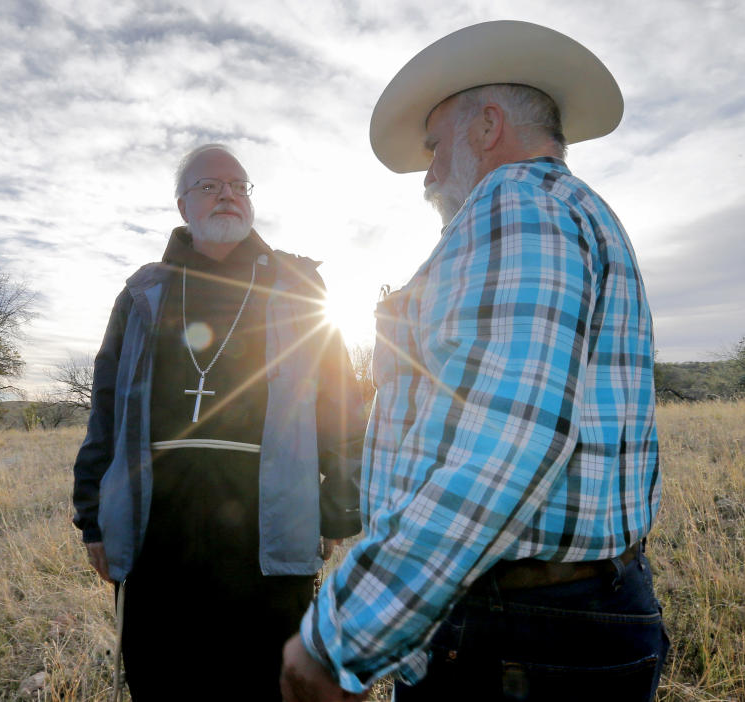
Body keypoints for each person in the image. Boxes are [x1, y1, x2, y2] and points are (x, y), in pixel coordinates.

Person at [281, 20, 668, 702]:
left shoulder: (514, 201)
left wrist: (338, 638)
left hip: (516, 634)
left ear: (488, 126)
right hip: (571, 617)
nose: (428, 173)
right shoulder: (580, 211)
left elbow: (504, 442)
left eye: (433, 147)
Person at [72, 144, 364, 700]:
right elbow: (106, 409)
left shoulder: (298, 286)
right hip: (160, 527)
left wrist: (339, 504)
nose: (229, 194)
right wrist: (91, 517)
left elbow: (340, 398)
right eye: (211, 186)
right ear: (183, 206)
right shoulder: (144, 293)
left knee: (265, 685)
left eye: (239, 185)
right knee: (165, 679)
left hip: (268, 529)